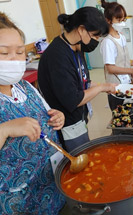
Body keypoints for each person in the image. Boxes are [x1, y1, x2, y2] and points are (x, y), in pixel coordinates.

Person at [0, 12, 65, 214]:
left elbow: (47, 114)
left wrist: (57, 117)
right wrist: (5, 129)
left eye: (20, 52)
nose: (14, 59)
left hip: (51, 186)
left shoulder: (25, 87)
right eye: (4, 53)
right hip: (17, 201)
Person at [38, 7, 116, 152]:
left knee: (85, 151)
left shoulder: (76, 47)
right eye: (95, 36)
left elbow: (82, 81)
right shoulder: (57, 56)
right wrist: (101, 88)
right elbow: (74, 99)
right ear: (81, 29)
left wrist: (106, 85)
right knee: (78, 158)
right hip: (66, 123)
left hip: (78, 118)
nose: (96, 41)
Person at [100, 0, 133, 110]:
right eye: (118, 20)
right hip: (115, 85)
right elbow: (110, 68)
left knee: (129, 111)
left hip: (126, 81)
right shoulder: (108, 42)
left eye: (123, 19)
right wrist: (132, 71)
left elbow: (123, 59)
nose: (122, 23)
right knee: (119, 115)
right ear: (108, 20)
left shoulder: (121, 36)